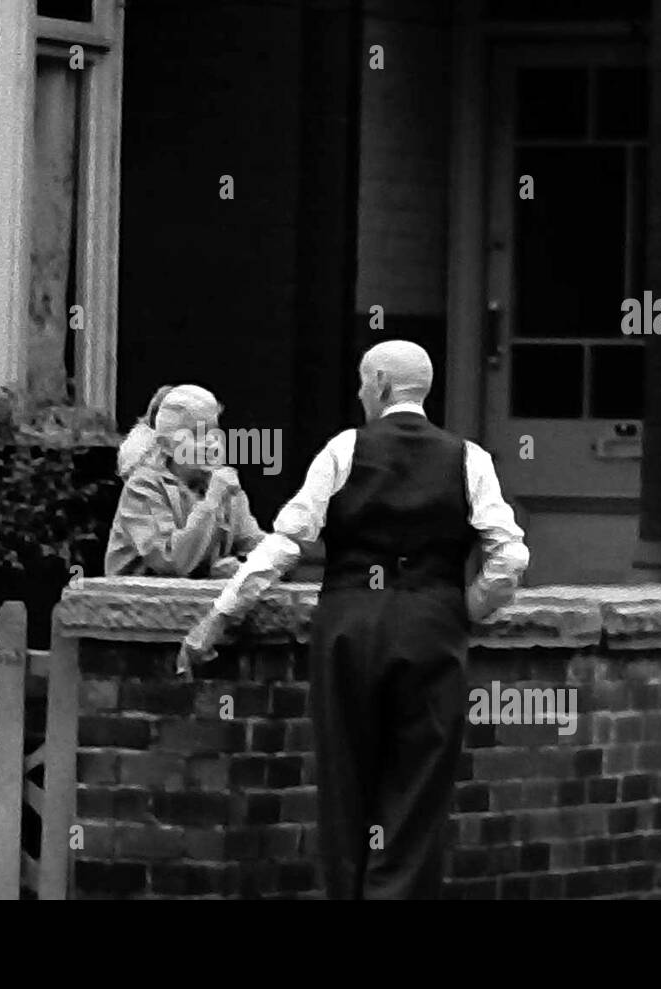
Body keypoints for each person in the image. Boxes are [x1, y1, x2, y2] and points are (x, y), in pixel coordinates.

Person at [178, 340, 529, 899]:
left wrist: (217, 617)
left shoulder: (345, 449)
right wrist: (466, 607)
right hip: (432, 629)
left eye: (365, 384)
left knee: (344, 787)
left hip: (349, 627)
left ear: (383, 387)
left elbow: (284, 545)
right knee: (418, 792)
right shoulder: (470, 458)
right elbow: (510, 556)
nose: (361, 394)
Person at [104, 383, 267, 577]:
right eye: (198, 434)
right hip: (135, 601)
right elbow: (171, 561)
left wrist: (248, 566)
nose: (212, 443)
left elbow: (255, 544)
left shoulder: (224, 487)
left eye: (214, 432)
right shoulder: (142, 488)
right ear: (166, 445)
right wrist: (212, 501)